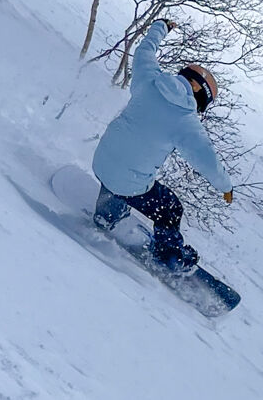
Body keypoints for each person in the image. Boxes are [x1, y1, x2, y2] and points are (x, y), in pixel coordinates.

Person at [91, 17, 233, 274]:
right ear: (200, 95)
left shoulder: (149, 79)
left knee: (121, 168)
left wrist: (161, 27)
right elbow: (208, 161)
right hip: (128, 182)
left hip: (101, 160)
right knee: (169, 207)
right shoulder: (185, 122)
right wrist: (226, 187)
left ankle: (107, 214)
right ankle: (169, 258)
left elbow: (145, 50)